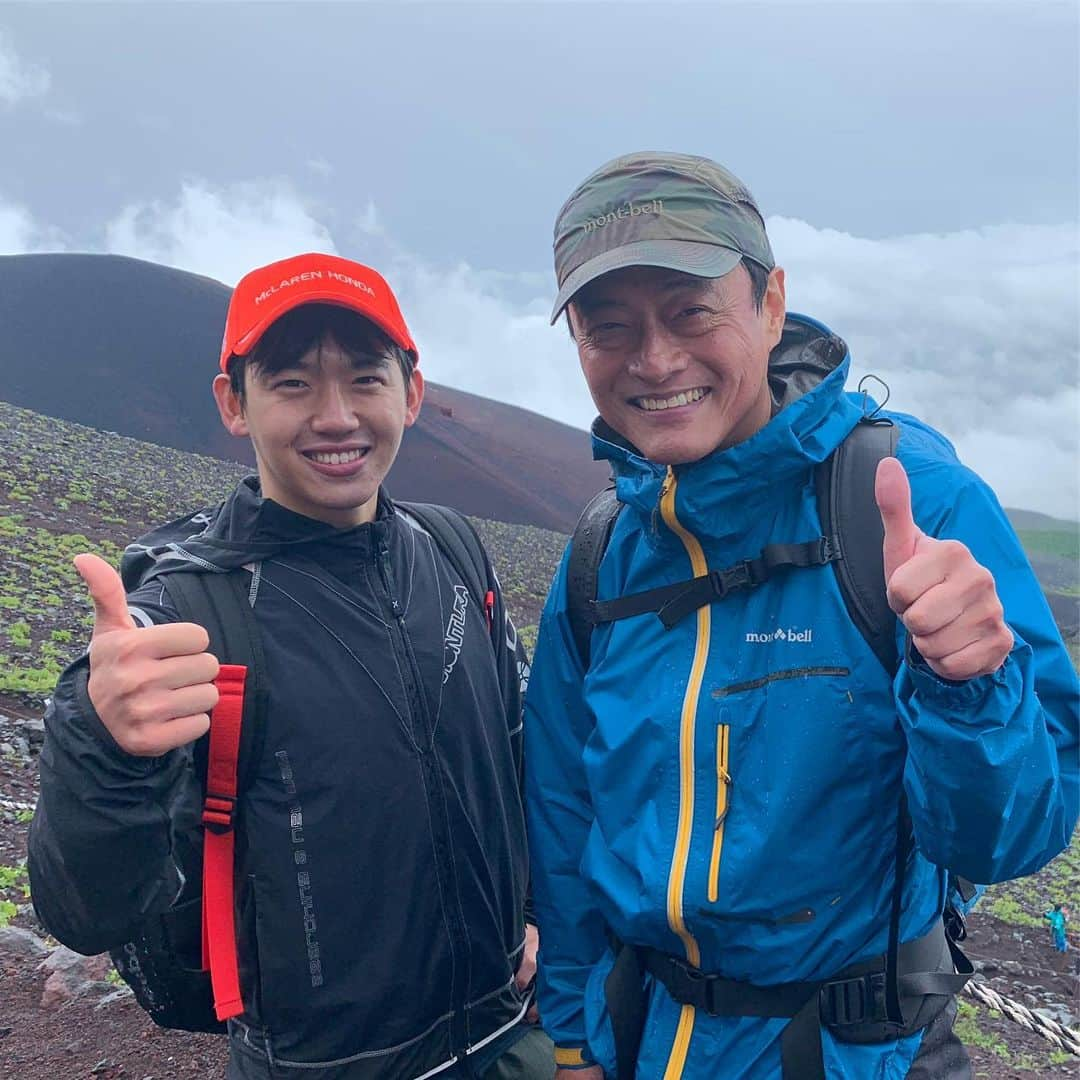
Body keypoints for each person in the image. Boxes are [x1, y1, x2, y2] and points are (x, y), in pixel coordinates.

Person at [523, 152, 1080, 1080]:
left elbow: (1010, 839)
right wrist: (577, 1039)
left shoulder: (911, 506)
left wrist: (972, 689)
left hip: (856, 1055)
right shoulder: (599, 555)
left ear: (770, 303)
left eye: (692, 311)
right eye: (607, 326)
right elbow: (565, 817)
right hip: (641, 1044)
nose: (654, 360)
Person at [28, 253, 553, 1080]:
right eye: (293, 383)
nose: (336, 415)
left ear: (410, 394)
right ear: (233, 404)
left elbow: (518, 755)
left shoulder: (453, 550)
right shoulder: (188, 615)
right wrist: (100, 741)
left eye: (365, 379)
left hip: (506, 1039)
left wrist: (532, 912)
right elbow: (86, 912)